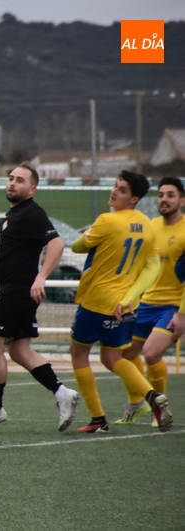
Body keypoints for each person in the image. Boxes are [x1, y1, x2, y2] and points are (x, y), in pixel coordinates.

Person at [0, 163, 81, 432]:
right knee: (19, 351)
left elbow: (57, 243)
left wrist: (41, 277)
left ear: (32, 189)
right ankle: (62, 393)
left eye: (19, 180)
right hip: (12, 291)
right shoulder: (14, 215)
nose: (12, 183)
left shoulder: (32, 213)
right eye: (10, 178)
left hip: (16, 293)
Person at [68, 170, 173, 433]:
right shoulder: (147, 225)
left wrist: (92, 229)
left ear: (134, 199)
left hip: (96, 301)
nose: (114, 191)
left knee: (79, 354)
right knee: (113, 358)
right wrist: (129, 297)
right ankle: (151, 396)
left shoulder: (106, 220)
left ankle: (97, 419)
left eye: (122, 189)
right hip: (124, 306)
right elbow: (152, 266)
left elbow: (77, 247)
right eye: (116, 186)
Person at [114, 177, 185, 427]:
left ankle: (161, 409)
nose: (164, 199)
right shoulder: (150, 227)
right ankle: (137, 402)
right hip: (145, 304)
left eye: (170, 195)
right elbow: (139, 267)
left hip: (173, 307)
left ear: (182, 200)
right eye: (161, 195)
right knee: (123, 354)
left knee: (152, 352)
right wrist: (130, 297)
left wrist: (182, 315)